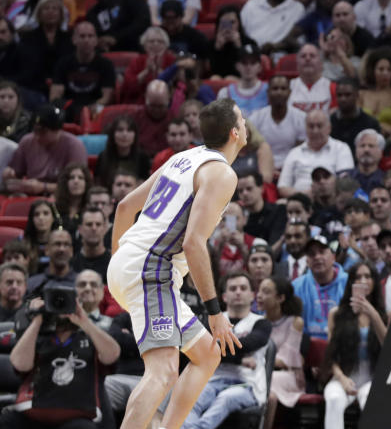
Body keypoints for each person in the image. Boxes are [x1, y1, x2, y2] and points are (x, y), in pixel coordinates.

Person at [105, 99, 245, 429]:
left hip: (131, 261)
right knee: (164, 370)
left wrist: (120, 268)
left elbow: (125, 207)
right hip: (152, 269)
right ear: (236, 132)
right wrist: (215, 312)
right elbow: (193, 243)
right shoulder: (222, 173)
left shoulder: (184, 157)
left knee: (208, 354)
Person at [6, 287, 120, 429]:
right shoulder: (38, 337)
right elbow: (19, 364)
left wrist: (84, 321)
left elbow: (113, 354)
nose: (61, 307)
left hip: (77, 414)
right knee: (9, 418)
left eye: (67, 300)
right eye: (55, 301)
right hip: (34, 411)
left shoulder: (91, 337)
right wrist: (37, 320)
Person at [181, 271, 271, 429]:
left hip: (247, 384)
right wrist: (239, 359)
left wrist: (216, 348)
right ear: (223, 297)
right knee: (189, 399)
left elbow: (247, 345)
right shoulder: (211, 320)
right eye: (233, 288)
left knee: (226, 398)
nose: (238, 292)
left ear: (252, 295)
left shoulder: (261, 323)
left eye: (243, 288)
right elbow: (203, 352)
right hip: (212, 380)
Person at [322, 261, 388, 429]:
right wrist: (342, 378)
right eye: (357, 277)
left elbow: (388, 347)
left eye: (367, 276)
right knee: (334, 398)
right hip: (344, 375)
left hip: (373, 378)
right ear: (351, 283)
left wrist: (372, 313)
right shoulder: (336, 314)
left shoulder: (385, 315)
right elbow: (331, 355)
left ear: (375, 281)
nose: (363, 281)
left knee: (370, 401)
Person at [3, 104, 86, 196]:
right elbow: (15, 173)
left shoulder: (74, 145)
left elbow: (79, 186)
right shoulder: (27, 141)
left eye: (43, 132)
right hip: (30, 196)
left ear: (57, 130)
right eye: (35, 131)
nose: (37, 136)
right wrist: (10, 173)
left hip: (63, 197)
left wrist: (44, 187)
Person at [257, 276, 304, 429]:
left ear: (280, 298)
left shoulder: (295, 322)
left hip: (288, 375)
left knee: (266, 384)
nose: (259, 295)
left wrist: (258, 360)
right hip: (262, 371)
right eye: (259, 291)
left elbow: (285, 359)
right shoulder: (257, 321)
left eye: (266, 292)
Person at [50, 21, 116, 122]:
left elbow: (107, 97)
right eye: (82, 36)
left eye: (90, 36)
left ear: (96, 40)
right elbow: (54, 97)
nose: (86, 40)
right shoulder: (63, 63)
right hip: (69, 110)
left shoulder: (106, 64)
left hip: (95, 110)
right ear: (74, 40)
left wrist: (89, 109)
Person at [278, 110, 354, 197]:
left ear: (329, 128)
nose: (315, 131)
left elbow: (345, 181)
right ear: (305, 129)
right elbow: (282, 187)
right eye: (311, 126)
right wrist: (304, 196)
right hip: (301, 202)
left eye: (319, 126)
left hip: (331, 200)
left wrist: (320, 192)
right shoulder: (294, 153)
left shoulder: (341, 149)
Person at [293, 235, 347, 340]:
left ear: (333, 257)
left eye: (322, 252)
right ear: (307, 261)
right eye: (312, 254)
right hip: (307, 348)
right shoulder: (296, 287)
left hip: (342, 344)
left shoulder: (349, 283)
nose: (317, 257)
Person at [84, 0, 151, 53]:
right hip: (106, 54)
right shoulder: (92, 14)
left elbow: (144, 21)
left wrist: (116, 38)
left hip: (134, 49)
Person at [248, 74, 306, 172]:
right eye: (275, 88)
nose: (279, 92)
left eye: (283, 89)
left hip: (292, 167)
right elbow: (251, 148)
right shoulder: (256, 117)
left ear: (289, 92)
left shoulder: (301, 118)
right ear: (268, 92)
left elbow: (300, 150)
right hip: (261, 167)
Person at [241, 0, 305, 53]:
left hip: (279, 55)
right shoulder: (252, 5)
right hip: (249, 53)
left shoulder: (298, 8)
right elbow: (239, 31)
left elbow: (297, 42)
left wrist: (275, 47)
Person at [330, 78, 381, 152]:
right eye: (339, 95)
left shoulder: (370, 123)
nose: (343, 99)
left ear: (357, 95)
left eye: (348, 95)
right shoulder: (330, 122)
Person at [72, 208, 111, 280]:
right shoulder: (71, 263)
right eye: (89, 224)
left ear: (105, 228)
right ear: (80, 229)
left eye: (98, 224)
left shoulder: (113, 263)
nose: (94, 228)